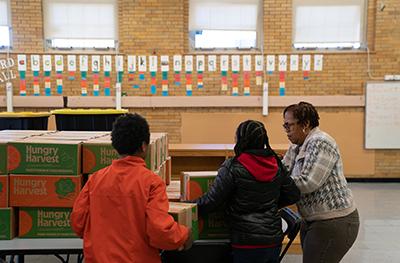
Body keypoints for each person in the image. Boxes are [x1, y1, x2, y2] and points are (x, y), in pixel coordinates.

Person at [71, 113, 193, 263]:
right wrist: (184, 235)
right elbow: (160, 232)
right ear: (143, 146)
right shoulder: (152, 183)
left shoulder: (95, 179)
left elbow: (78, 224)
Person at [187, 120, 300, 263]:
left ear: (241, 139)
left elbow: (210, 202)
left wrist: (182, 208)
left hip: (246, 242)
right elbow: (293, 194)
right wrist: (267, 204)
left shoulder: (233, 166)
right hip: (273, 240)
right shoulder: (277, 164)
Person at [281, 102, 360, 263]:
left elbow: (308, 183)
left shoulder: (320, 141)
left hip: (333, 220)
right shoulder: (297, 145)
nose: (287, 131)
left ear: (306, 124)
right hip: (311, 219)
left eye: (289, 126)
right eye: (285, 126)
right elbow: (282, 171)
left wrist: (272, 184)